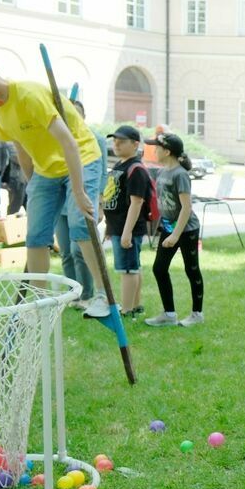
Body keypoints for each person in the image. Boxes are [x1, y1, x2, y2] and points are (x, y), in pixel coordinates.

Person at [0, 53, 111, 316]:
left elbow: (69, 142)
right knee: (36, 235)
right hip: (46, 171)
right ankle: (39, 302)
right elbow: (21, 146)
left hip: (81, 157)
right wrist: (32, 182)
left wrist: (80, 191)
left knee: (80, 224)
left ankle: (103, 295)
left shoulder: (29, 95)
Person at [145, 133, 204, 327]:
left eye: (157, 147)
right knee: (159, 268)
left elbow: (186, 208)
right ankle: (169, 314)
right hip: (170, 227)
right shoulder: (163, 172)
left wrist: (175, 235)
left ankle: (197, 314)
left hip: (186, 229)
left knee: (191, 269)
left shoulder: (180, 174)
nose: (154, 150)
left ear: (167, 151)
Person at [57, 99, 105, 310]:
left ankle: (87, 293)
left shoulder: (96, 138)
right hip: (62, 202)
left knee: (80, 249)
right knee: (66, 251)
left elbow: (101, 172)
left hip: (83, 198)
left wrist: (100, 202)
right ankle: (72, 294)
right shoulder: (58, 136)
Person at [100, 125, 152, 317]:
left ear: (135, 144)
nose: (117, 144)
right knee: (132, 267)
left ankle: (127, 310)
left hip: (127, 227)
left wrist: (127, 231)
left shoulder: (136, 169)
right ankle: (134, 305)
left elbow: (136, 203)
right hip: (117, 227)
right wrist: (109, 227)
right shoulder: (120, 165)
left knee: (127, 269)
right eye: (115, 141)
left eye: (122, 141)